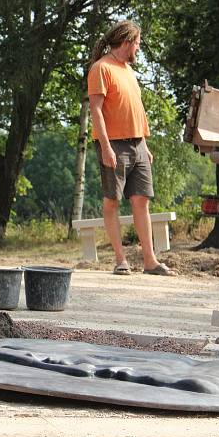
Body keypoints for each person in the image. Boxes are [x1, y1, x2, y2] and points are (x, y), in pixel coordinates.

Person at [87, 20, 176, 277]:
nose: (138, 47)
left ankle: (150, 261)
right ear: (127, 42)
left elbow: (135, 109)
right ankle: (120, 260)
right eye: (137, 43)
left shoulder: (128, 70)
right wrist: (105, 147)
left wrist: (144, 144)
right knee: (112, 201)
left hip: (138, 143)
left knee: (142, 200)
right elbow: (96, 111)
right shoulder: (101, 68)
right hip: (113, 144)